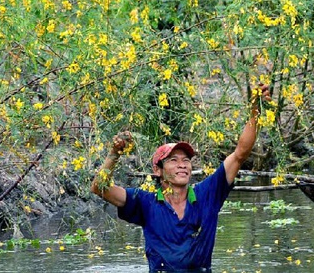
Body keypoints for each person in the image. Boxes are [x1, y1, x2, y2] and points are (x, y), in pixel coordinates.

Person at [91, 84, 271, 272]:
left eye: (186, 160)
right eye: (173, 160)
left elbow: (240, 154)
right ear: (158, 170)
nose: (182, 165)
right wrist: (114, 153)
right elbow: (99, 188)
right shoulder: (146, 202)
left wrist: (254, 114)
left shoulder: (207, 194)